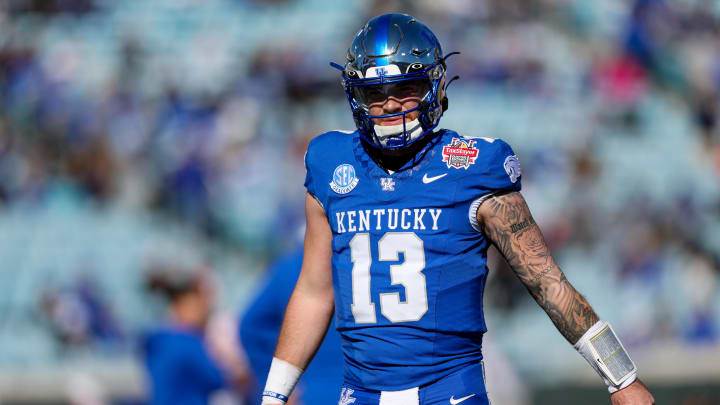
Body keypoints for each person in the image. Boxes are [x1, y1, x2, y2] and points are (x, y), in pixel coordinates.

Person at [261, 13, 655, 405]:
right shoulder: (330, 161)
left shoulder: (473, 166)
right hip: (360, 393)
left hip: (448, 391)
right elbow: (314, 291)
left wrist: (621, 378)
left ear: (435, 84)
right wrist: (274, 394)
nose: (391, 104)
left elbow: (546, 281)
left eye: (406, 87)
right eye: (375, 93)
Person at [240, 248, 344, 405]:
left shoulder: (291, 267)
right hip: (366, 392)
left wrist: (277, 387)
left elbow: (250, 327)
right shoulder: (375, 263)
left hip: (309, 394)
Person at [142, 268, 249, 405]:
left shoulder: (160, 340)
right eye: (202, 301)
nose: (206, 308)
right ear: (185, 301)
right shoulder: (185, 343)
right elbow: (226, 378)